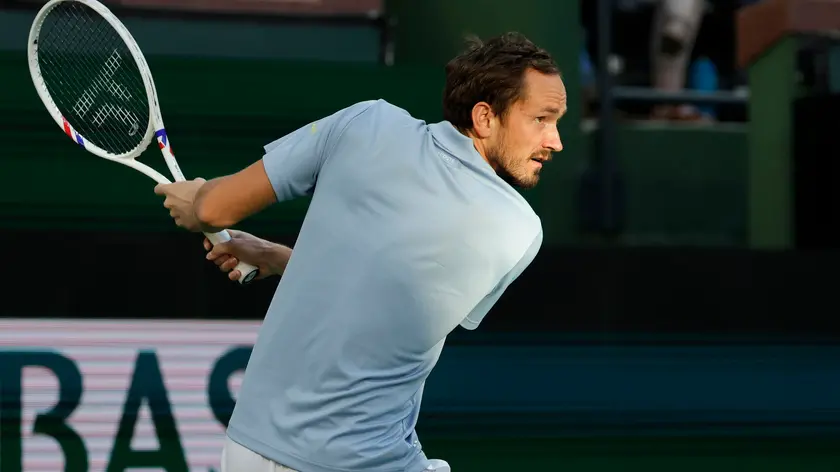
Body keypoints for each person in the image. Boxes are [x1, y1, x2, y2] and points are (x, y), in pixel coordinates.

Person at [154, 31, 566, 472]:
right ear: (485, 117)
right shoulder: (518, 229)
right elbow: (392, 301)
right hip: (360, 461)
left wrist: (199, 201)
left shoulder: (366, 121)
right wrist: (262, 245)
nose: (555, 141)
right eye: (541, 119)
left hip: (247, 450)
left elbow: (214, 209)